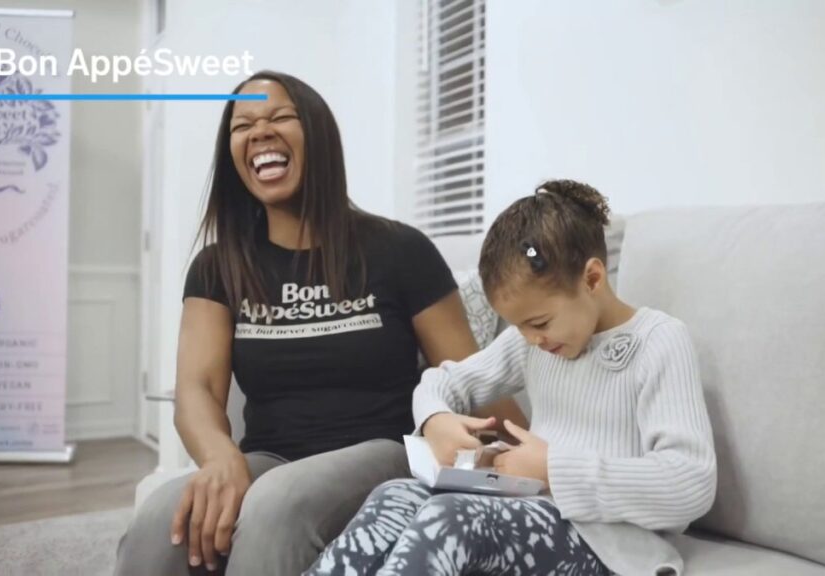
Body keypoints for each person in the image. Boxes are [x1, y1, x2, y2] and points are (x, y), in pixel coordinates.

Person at [115, 71, 526, 576]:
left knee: (275, 505)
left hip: (384, 452)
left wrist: (533, 456)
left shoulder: (399, 250)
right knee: (161, 518)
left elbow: (471, 377)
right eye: (242, 126)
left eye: (280, 117)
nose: (260, 132)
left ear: (319, 135)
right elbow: (196, 388)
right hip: (271, 457)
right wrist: (220, 458)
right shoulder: (218, 266)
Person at [305, 179, 717, 576]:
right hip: (530, 508)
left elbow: (691, 483)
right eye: (518, 326)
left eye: (539, 322)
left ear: (592, 279)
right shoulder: (533, 343)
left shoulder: (659, 342)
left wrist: (553, 469)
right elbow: (445, 381)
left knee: (450, 518)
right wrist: (435, 420)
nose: (531, 338)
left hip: (611, 543)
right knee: (393, 496)